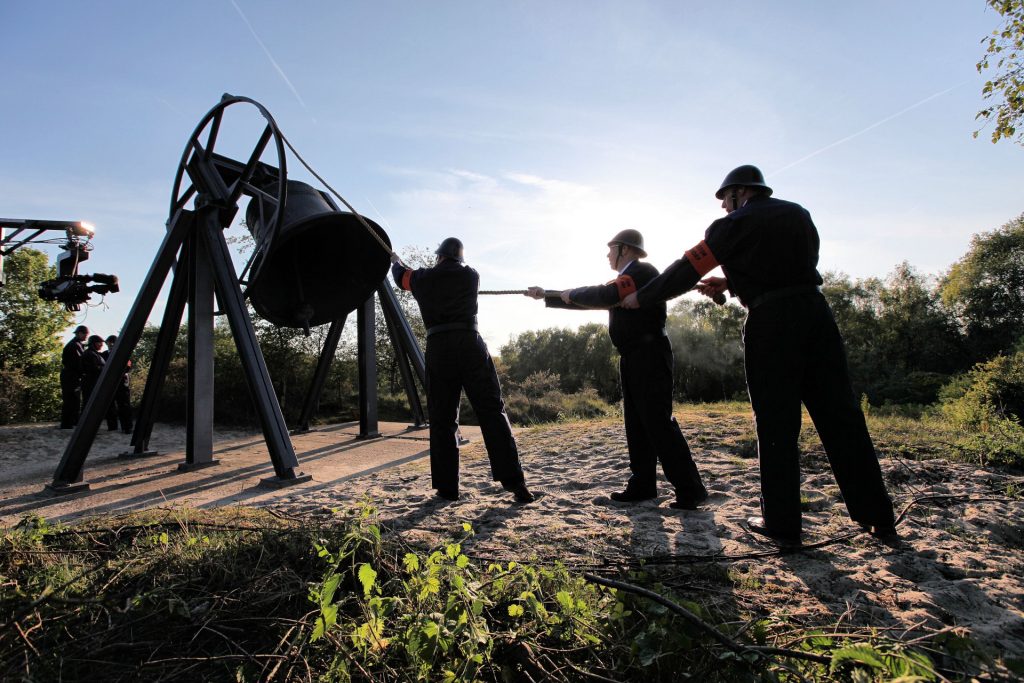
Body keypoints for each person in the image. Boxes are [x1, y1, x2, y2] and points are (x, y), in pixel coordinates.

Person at [622, 165, 896, 544]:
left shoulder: (730, 226)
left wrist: (643, 295)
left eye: (725, 202)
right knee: (842, 416)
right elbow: (787, 266)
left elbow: (687, 269)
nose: (724, 209)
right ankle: (878, 516)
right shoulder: (798, 213)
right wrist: (732, 282)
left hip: (770, 323)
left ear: (737, 193)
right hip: (816, 316)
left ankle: (782, 525)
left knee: (776, 424)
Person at [525, 230, 708, 509]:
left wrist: (569, 293)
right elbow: (598, 298)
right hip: (634, 356)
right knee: (636, 424)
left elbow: (605, 294)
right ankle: (643, 485)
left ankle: (690, 489)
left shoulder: (643, 271)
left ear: (624, 249)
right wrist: (547, 295)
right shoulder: (628, 277)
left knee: (658, 422)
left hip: (650, 354)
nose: (607, 254)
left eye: (611, 249)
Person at [391, 237, 534, 503]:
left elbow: (402, 278)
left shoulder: (422, 278)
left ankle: (447, 489)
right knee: (492, 411)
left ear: (439, 257)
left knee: (443, 417)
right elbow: (438, 278)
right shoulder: (472, 276)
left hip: (439, 348)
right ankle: (516, 484)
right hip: (470, 344)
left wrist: (396, 261)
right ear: (459, 257)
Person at [59, 325, 89, 428]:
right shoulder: (74, 345)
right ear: (79, 333)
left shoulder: (77, 344)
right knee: (71, 399)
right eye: (85, 334)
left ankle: (71, 422)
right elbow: (78, 362)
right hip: (71, 376)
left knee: (74, 399)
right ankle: (68, 423)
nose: (86, 336)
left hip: (72, 375)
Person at [104, 334, 133, 434]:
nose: (111, 344)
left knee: (124, 405)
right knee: (109, 405)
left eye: (113, 342)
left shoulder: (124, 353)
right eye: (109, 342)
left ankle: (127, 427)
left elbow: (128, 368)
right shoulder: (103, 355)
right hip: (109, 383)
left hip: (121, 382)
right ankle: (112, 426)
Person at [80, 335, 107, 408]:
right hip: (90, 383)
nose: (102, 344)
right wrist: (105, 369)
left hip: (93, 383)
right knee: (89, 404)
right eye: (99, 343)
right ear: (93, 343)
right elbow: (93, 369)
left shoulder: (95, 354)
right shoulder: (90, 354)